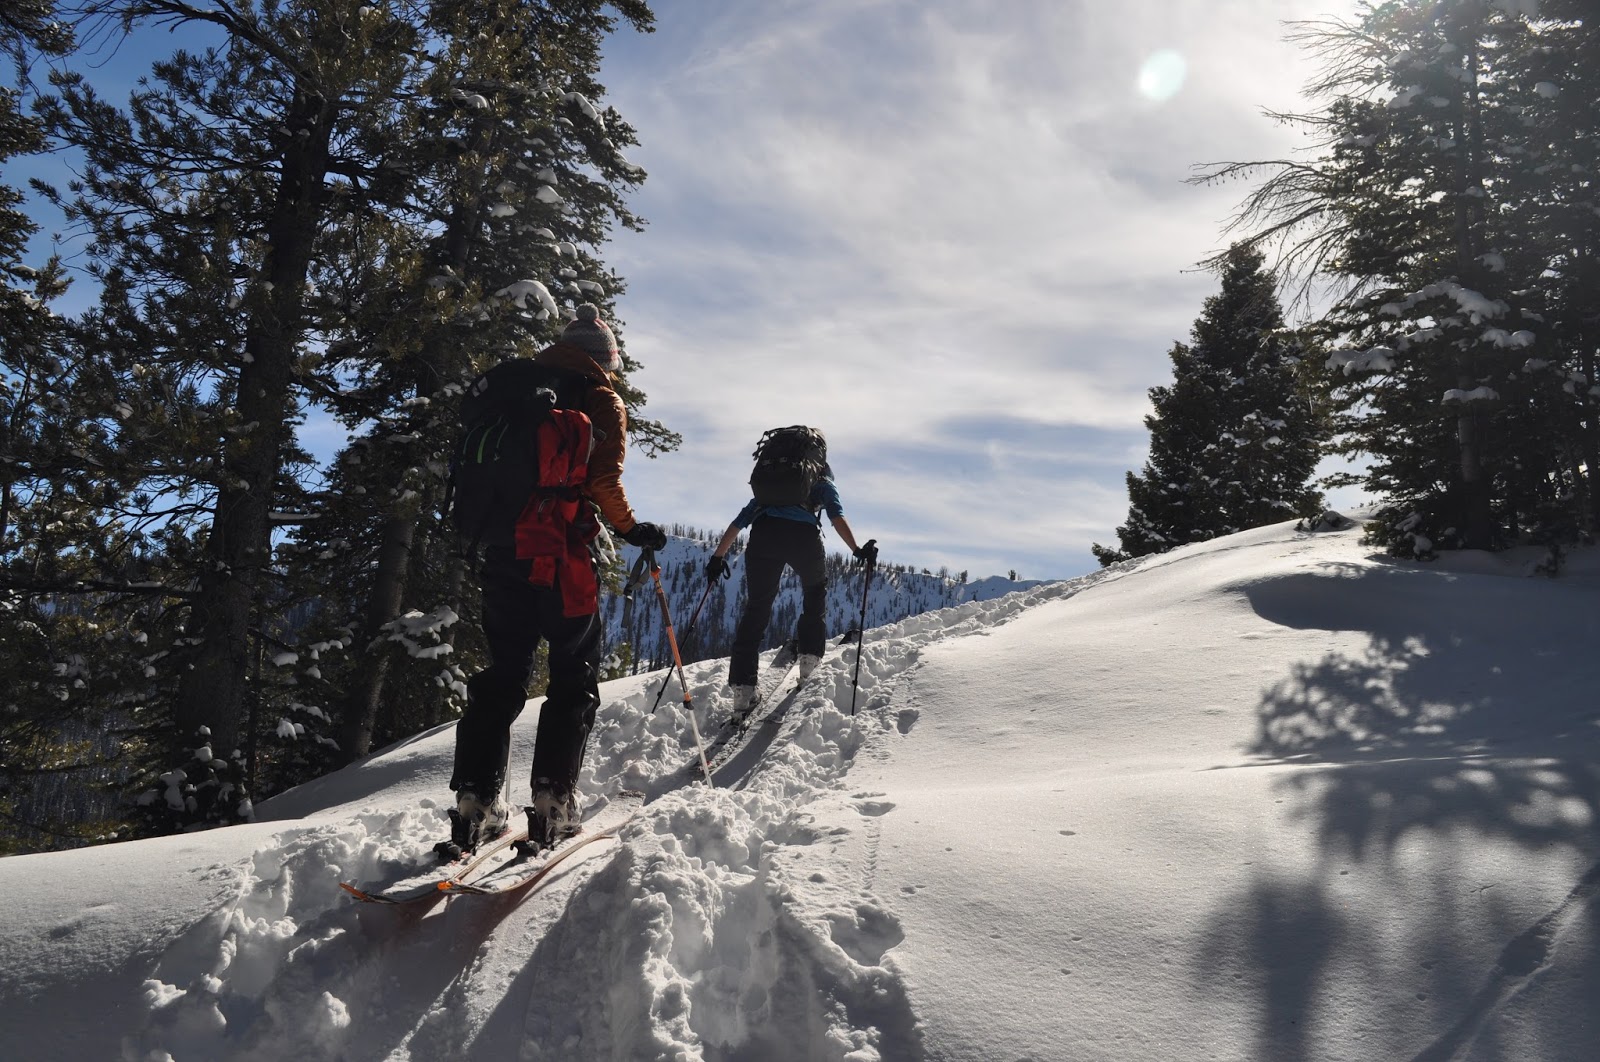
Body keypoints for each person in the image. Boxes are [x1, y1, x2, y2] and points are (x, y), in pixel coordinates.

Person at [447, 303, 667, 855]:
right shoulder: (599, 397)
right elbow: (603, 482)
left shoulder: (516, 389)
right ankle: (553, 802)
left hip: (502, 552)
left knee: (502, 674)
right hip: (559, 555)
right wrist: (631, 528)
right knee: (573, 673)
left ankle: (475, 802)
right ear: (604, 360)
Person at [705, 429, 876, 720]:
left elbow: (739, 522)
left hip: (763, 538)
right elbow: (836, 516)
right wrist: (857, 549)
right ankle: (809, 664)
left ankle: (743, 690)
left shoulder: (769, 487)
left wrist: (717, 558)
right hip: (803, 539)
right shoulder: (821, 480)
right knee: (814, 591)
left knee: (756, 608)